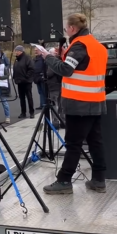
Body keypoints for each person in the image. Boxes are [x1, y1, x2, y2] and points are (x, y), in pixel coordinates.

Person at [39, 13, 107, 195]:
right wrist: (61, 55)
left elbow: (66, 70)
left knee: (73, 143)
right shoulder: (97, 46)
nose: (66, 31)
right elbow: (83, 67)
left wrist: (47, 56)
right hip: (96, 101)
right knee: (95, 142)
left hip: (79, 104)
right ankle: (99, 180)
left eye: (66, 28)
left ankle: (64, 180)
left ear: (72, 28)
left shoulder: (79, 46)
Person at [13, 45, 35, 119]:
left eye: (16, 51)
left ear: (20, 51)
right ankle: (23, 112)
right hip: (19, 82)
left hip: (26, 82)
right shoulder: (17, 60)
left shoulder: (27, 58)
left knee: (29, 97)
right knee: (22, 98)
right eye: (15, 51)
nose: (15, 52)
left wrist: (26, 77)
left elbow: (31, 68)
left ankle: (31, 112)